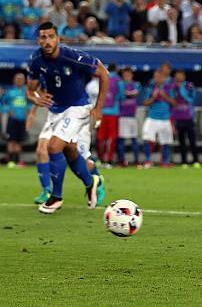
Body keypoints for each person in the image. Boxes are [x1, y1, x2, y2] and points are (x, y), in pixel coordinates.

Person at [26, 22, 109, 214]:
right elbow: (30, 91)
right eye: (43, 37)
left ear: (58, 38)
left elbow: (103, 73)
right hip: (55, 111)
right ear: (38, 40)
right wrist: (36, 99)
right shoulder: (35, 60)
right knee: (70, 151)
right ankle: (91, 182)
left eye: (51, 37)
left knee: (53, 146)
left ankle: (55, 197)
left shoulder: (72, 56)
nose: (47, 41)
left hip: (78, 107)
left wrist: (99, 109)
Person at [142, 69, 176, 168]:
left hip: (165, 119)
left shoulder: (168, 88)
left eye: (160, 77)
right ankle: (148, 161)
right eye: (156, 76)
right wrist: (154, 97)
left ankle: (164, 162)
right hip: (152, 117)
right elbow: (145, 103)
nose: (158, 79)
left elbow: (174, 103)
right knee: (147, 139)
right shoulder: (150, 88)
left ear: (164, 78)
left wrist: (164, 96)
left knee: (166, 141)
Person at [97, 63, 124, 166]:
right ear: (116, 69)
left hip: (102, 112)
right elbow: (122, 96)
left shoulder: (103, 78)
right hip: (114, 112)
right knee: (111, 137)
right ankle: (108, 160)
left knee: (101, 137)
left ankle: (101, 159)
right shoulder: (119, 81)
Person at [2, 73, 31, 167]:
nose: (19, 81)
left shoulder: (26, 92)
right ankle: (11, 161)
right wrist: (7, 110)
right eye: (17, 79)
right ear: (14, 80)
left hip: (22, 120)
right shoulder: (10, 91)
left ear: (24, 81)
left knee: (19, 141)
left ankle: (18, 161)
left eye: (21, 79)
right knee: (11, 140)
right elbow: (2, 103)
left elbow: (30, 104)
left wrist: (29, 111)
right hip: (12, 120)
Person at [172, 69, 200, 167]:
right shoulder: (172, 87)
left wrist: (182, 90)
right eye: (177, 75)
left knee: (192, 141)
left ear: (184, 76)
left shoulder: (189, 86)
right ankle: (184, 161)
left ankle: (196, 161)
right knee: (181, 142)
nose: (179, 77)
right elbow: (171, 101)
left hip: (189, 117)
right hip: (178, 118)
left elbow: (191, 100)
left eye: (181, 75)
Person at [117, 67, 141, 166]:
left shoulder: (136, 84)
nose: (127, 76)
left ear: (132, 75)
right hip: (122, 116)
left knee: (134, 140)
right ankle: (122, 161)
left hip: (132, 116)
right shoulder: (120, 84)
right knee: (121, 140)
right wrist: (129, 94)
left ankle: (136, 161)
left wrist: (129, 93)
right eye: (125, 75)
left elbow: (135, 93)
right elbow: (124, 94)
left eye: (128, 74)